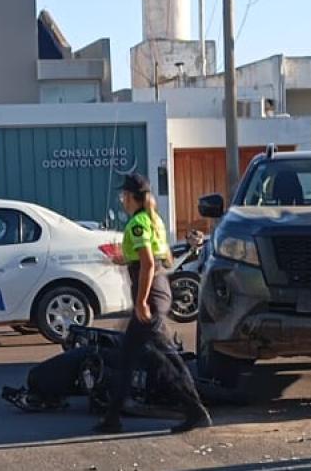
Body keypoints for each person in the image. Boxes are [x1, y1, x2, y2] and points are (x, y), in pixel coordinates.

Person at [94, 173, 211, 435]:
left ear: (132, 197)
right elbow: (163, 258)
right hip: (158, 288)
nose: (121, 200)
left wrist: (141, 303)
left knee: (165, 359)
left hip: (151, 294)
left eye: (123, 195)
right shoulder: (153, 219)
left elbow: (148, 264)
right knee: (128, 357)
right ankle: (112, 417)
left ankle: (194, 410)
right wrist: (125, 259)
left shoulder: (137, 224)